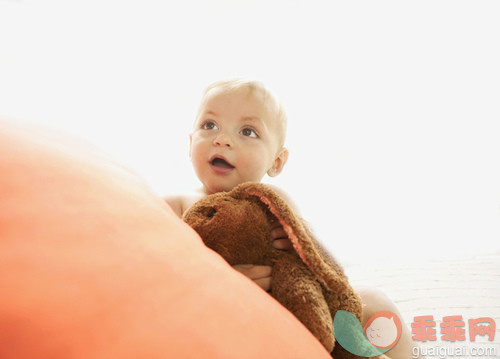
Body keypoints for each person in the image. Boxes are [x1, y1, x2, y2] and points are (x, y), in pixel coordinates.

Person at [165, 79, 422, 358]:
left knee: (374, 301)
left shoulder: (276, 201)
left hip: (297, 311)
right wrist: (223, 282)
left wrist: (296, 245)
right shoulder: (180, 205)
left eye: (247, 132)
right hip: (233, 323)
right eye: (209, 125)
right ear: (190, 143)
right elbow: (163, 272)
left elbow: (317, 263)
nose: (222, 139)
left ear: (276, 162)